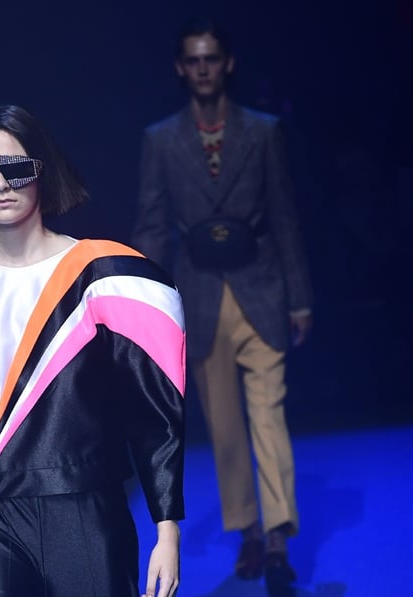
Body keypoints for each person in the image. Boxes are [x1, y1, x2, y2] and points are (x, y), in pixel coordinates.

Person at [0, 105, 185, 597]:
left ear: (42, 171)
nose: (1, 184)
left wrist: (166, 527)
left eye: (17, 168)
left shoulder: (102, 276)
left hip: (85, 510)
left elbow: (152, 412)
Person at [131, 18, 313, 585]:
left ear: (228, 63)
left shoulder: (263, 131)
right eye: (194, 59)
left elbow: (285, 215)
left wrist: (300, 298)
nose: (204, 68)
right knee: (225, 427)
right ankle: (249, 534)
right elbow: (154, 225)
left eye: (213, 58)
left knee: (270, 414)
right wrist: (142, 305)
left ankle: (278, 534)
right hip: (201, 294)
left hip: (260, 285)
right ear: (181, 68)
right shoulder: (161, 140)